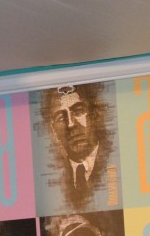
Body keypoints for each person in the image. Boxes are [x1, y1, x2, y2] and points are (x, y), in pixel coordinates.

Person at [41, 84, 116, 212]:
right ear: (54, 130)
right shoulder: (53, 184)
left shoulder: (116, 160)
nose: (70, 124)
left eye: (78, 111)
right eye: (61, 117)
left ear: (94, 115)